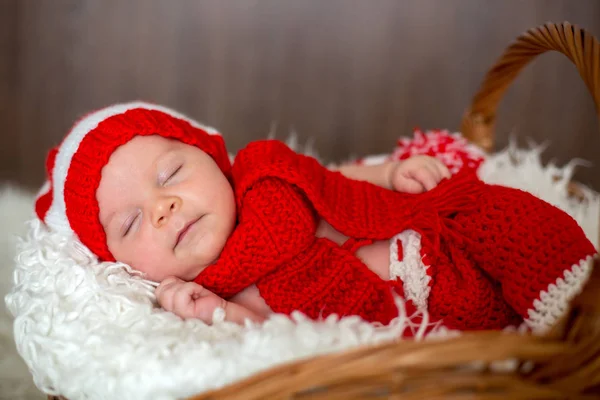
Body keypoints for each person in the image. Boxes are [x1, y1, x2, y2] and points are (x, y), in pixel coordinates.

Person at [35, 102, 596, 334]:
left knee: (496, 211)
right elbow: (266, 340)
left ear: (212, 158)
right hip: (413, 329)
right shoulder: (200, 290)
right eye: (131, 225)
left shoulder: (265, 175)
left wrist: (391, 174)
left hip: (439, 246)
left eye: (170, 175)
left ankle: (577, 308)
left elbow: (334, 178)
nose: (163, 209)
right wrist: (210, 313)